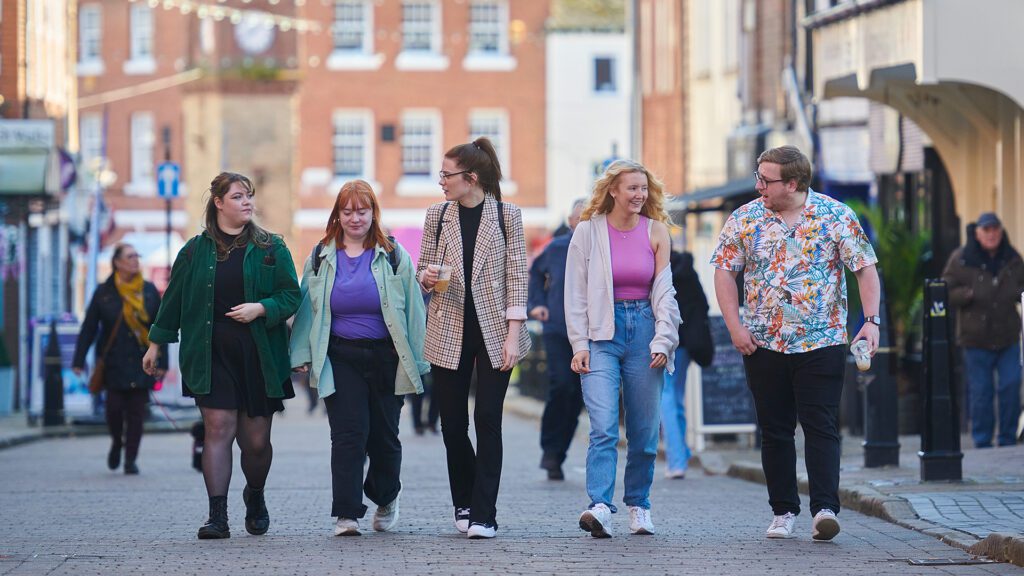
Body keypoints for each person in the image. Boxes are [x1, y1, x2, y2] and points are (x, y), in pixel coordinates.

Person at [711, 145, 880, 542]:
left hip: (821, 340)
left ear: (792, 183)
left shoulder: (835, 216)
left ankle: (824, 509)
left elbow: (865, 270)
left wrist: (871, 322)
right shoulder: (745, 218)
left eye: (765, 180)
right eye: (758, 176)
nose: (758, 186)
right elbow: (724, 272)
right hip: (763, 342)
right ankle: (783, 511)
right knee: (774, 429)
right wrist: (735, 326)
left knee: (820, 425)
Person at [143, 172, 300, 540]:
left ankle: (255, 495)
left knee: (256, 443)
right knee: (217, 430)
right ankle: (217, 516)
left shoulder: (270, 247)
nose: (247, 202)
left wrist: (261, 308)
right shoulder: (194, 251)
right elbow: (174, 300)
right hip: (209, 352)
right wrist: (156, 343)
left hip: (257, 354)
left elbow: (292, 294)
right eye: (238, 196)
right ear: (218, 203)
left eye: (249, 196)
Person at [290, 179, 428, 536]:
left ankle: (386, 496)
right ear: (338, 214)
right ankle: (347, 514)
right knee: (348, 435)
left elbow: (414, 309)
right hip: (341, 356)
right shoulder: (321, 256)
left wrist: (421, 359)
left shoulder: (394, 254)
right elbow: (308, 306)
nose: (355, 218)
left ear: (373, 213)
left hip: (386, 356)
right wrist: (301, 353)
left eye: (362, 211)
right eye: (348, 211)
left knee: (384, 438)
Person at [417, 137, 531, 540]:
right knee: (452, 424)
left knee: (487, 419)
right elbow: (423, 269)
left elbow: (518, 276)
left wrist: (513, 337)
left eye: (447, 175)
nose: (441, 182)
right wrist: (426, 276)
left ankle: (485, 513)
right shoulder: (437, 216)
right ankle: (462, 500)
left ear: (472, 177)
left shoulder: (507, 215)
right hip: (448, 326)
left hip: (496, 329)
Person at [565, 159, 680, 538]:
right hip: (600, 334)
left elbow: (664, 292)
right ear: (613, 190)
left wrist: (663, 338)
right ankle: (599, 505)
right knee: (602, 427)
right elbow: (575, 292)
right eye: (632, 188)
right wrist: (579, 343)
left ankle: (639, 505)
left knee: (645, 431)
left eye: (643, 188)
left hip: (644, 330)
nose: (639, 195)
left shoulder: (657, 231)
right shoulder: (587, 231)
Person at [73, 243, 165, 475]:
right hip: (112, 362)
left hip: (142, 361)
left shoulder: (148, 290)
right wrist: (78, 359)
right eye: (130, 256)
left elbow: (162, 326)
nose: (135, 260)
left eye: (137, 255)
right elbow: (90, 327)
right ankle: (116, 442)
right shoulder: (104, 292)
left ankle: (130, 458)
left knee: (136, 412)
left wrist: (163, 363)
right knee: (113, 410)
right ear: (117, 262)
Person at [943, 212, 1024, 448]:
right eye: (986, 230)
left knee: (1010, 385)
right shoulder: (961, 259)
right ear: (977, 233)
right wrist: (968, 295)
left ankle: (1007, 437)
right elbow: (944, 289)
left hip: (1008, 336)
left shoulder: (1012, 258)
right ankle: (982, 440)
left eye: (995, 230)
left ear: (1001, 231)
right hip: (975, 338)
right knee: (981, 391)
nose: (991, 235)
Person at [529, 198, 586, 480]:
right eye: (580, 218)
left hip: (591, 333)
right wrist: (537, 304)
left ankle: (558, 454)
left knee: (577, 395)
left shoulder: (603, 248)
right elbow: (534, 274)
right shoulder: (556, 247)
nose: (584, 223)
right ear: (571, 221)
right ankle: (550, 451)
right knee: (561, 386)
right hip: (558, 330)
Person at [660, 249, 711, 479]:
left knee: (667, 397)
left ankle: (677, 459)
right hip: (688, 343)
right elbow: (704, 305)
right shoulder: (688, 269)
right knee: (676, 397)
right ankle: (682, 451)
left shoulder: (660, 271)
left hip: (667, 342)